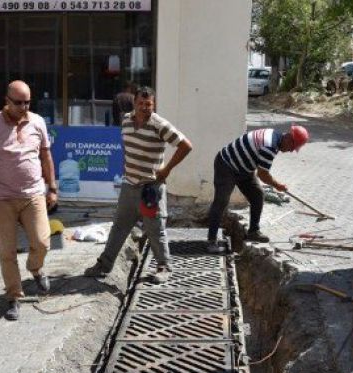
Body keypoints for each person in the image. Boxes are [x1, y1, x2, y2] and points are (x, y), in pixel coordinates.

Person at [84, 86, 193, 283]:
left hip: (150, 188)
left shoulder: (160, 125)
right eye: (141, 104)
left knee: (155, 228)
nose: (144, 108)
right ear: (134, 103)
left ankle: (164, 267)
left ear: (154, 105)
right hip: (129, 185)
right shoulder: (126, 120)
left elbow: (186, 146)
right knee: (119, 227)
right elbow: (127, 147)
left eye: (148, 104)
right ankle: (104, 265)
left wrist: (166, 169)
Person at [0, 80, 58, 321]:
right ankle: (14, 297)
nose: (24, 106)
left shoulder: (38, 121)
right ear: (7, 101)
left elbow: (46, 156)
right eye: (18, 102)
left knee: (42, 242)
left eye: (27, 102)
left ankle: (35, 268)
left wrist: (52, 187)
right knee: (7, 251)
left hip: (33, 195)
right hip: (2, 198)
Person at [206, 125, 309, 253]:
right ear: (289, 139)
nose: (291, 151)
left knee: (258, 195)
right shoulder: (270, 146)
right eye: (292, 147)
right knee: (221, 201)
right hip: (226, 165)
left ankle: (253, 231)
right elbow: (263, 174)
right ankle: (211, 241)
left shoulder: (275, 136)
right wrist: (278, 185)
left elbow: (260, 168)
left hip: (244, 169)